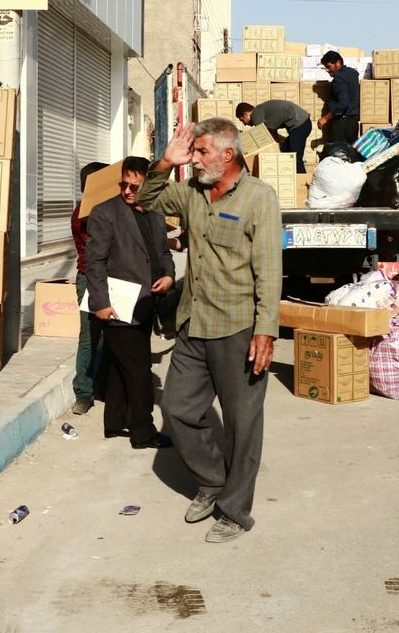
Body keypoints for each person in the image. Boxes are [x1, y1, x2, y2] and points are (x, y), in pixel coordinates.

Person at [136, 118, 282, 544]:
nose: (194, 160)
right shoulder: (191, 194)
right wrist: (165, 161)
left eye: (201, 153)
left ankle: (235, 511)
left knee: (241, 424)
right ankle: (214, 480)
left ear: (227, 155)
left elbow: (269, 271)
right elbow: (146, 198)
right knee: (178, 409)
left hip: (239, 327)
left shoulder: (259, 198)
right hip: (193, 322)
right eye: (193, 152)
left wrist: (266, 330)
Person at [85, 157, 177, 449]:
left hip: (147, 303)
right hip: (117, 305)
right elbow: (95, 262)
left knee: (120, 366)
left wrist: (169, 277)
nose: (127, 190)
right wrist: (100, 302)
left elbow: (163, 253)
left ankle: (114, 422)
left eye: (134, 186)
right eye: (123, 184)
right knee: (138, 371)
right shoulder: (105, 213)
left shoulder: (155, 212)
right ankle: (143, 432)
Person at [71, 161, 108, 415]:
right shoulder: (84, 213)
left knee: (110, 336)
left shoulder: (106, 210)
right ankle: (83, 392)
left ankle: (103, 383)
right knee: (89, 336)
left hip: (112, 279)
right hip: (90, 278)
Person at [235, 100, 313, 173]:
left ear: (246, 114)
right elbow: (272, 135)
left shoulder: (255, 115)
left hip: (300, 124)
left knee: (295, 157)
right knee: (284, 150)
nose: (244, 124)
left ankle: (302, 181)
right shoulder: (261, 112)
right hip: (303, 123)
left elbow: (263, 139)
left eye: (242, 120)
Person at [317, 50, 360, 145]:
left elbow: (343, 104)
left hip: (341, 123)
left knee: (337, 156)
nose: (328, 70)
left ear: (338, 63)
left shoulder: (339, 78)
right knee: (350, 155)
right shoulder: (352, 73)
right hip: (353, 123)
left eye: (329, 66)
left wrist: (325, 118)